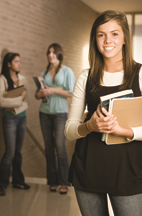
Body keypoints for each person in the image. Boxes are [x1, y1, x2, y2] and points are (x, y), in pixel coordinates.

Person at [65, 10, 142, 216]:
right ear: (95, 39)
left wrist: (123, 130)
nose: (108, 40)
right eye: (101, 34)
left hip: (128, 171)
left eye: (115, 34)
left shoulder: (140, 74)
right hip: (88, 168)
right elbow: (70, 130)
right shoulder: (85, 77)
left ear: (125, 37)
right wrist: (89, 126)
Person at [35, 43, 75, 194]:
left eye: (54, 52)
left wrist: (52, 90)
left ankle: (64, 182)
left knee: (60, 146)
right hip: (44, 112)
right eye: (49, 52)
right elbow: (36, 94)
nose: (51, 55)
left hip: (60, 113)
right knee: (48, 147)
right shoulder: (44, 73)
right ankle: (52, 181)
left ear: (59, 54)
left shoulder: (67, 71)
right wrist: (41, 94)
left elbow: (71, 93)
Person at [0, 52, 30, 196]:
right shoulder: (2, 79)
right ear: (8, 64)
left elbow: (26, 99)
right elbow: (2, 102)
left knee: (18, 152)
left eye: (20, 61)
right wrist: (18, 99)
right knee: (9, 152)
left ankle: (18, 181)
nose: (19, 64)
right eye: (16, 61)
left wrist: (14, 100)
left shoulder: (22, 78)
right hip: (9, 119)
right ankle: (0, 184)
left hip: (22, 117)